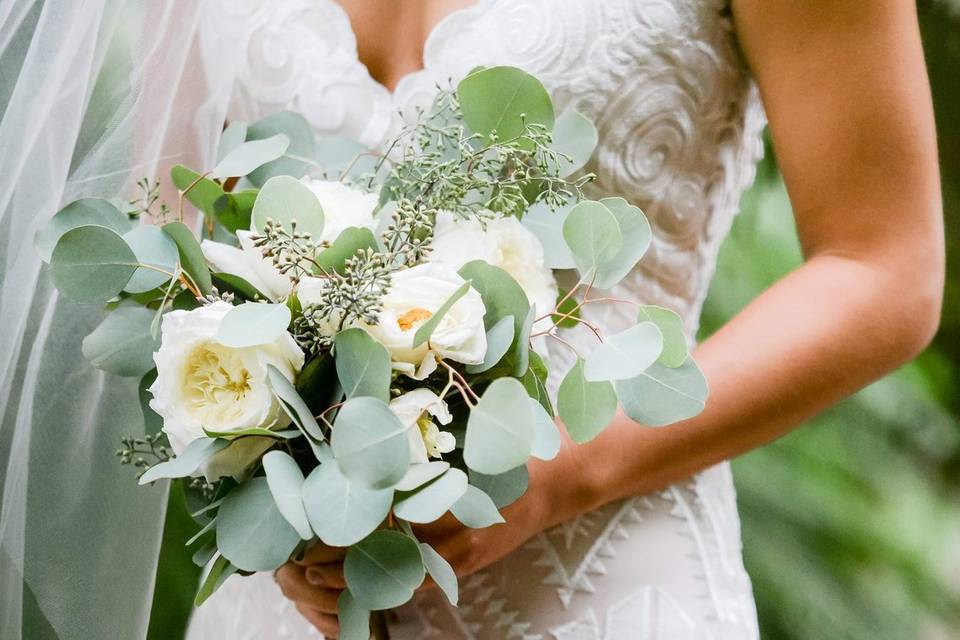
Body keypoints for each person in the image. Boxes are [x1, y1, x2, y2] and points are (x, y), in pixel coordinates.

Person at [186, 0, 944, 638]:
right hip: (297, 600)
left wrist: (554, 478)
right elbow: (186, 251)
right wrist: (274, 491)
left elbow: (883, 268)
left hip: (601, 583)